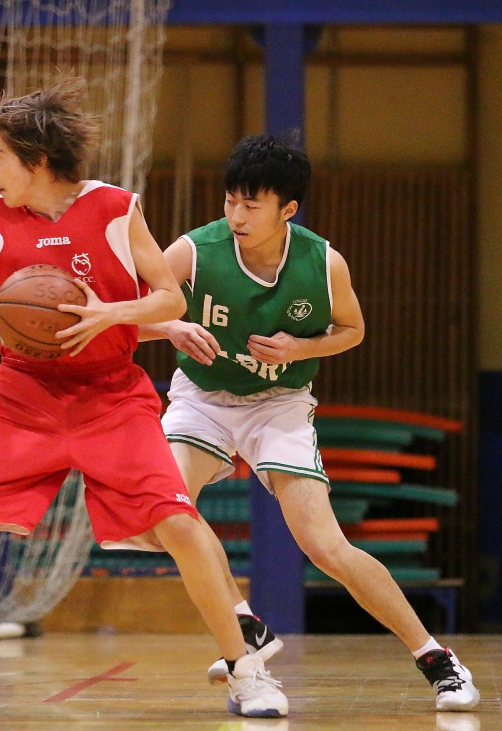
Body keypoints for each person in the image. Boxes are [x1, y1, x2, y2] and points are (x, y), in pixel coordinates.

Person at [0, 78, 289, 719]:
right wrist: (20, 319)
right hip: (24, 394)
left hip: (111, 396)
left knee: (180, 525)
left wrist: (112, 314)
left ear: (35, 159)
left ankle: (245, 669)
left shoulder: (115, 208)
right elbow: (32, 314)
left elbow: (169, 298)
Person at [141, 133, 481, 712]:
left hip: (279, 401)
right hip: (204, 397)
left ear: (288, 209)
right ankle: (246, 625)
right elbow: (129, 314)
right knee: (166, 513)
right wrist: (170, 327)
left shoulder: (323, 263)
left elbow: (353, 330)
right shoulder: (193, 252)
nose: (236, 215)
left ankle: (437, 659)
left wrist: (299, 348)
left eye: (251, 205)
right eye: (230, 201)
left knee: (326, 547)